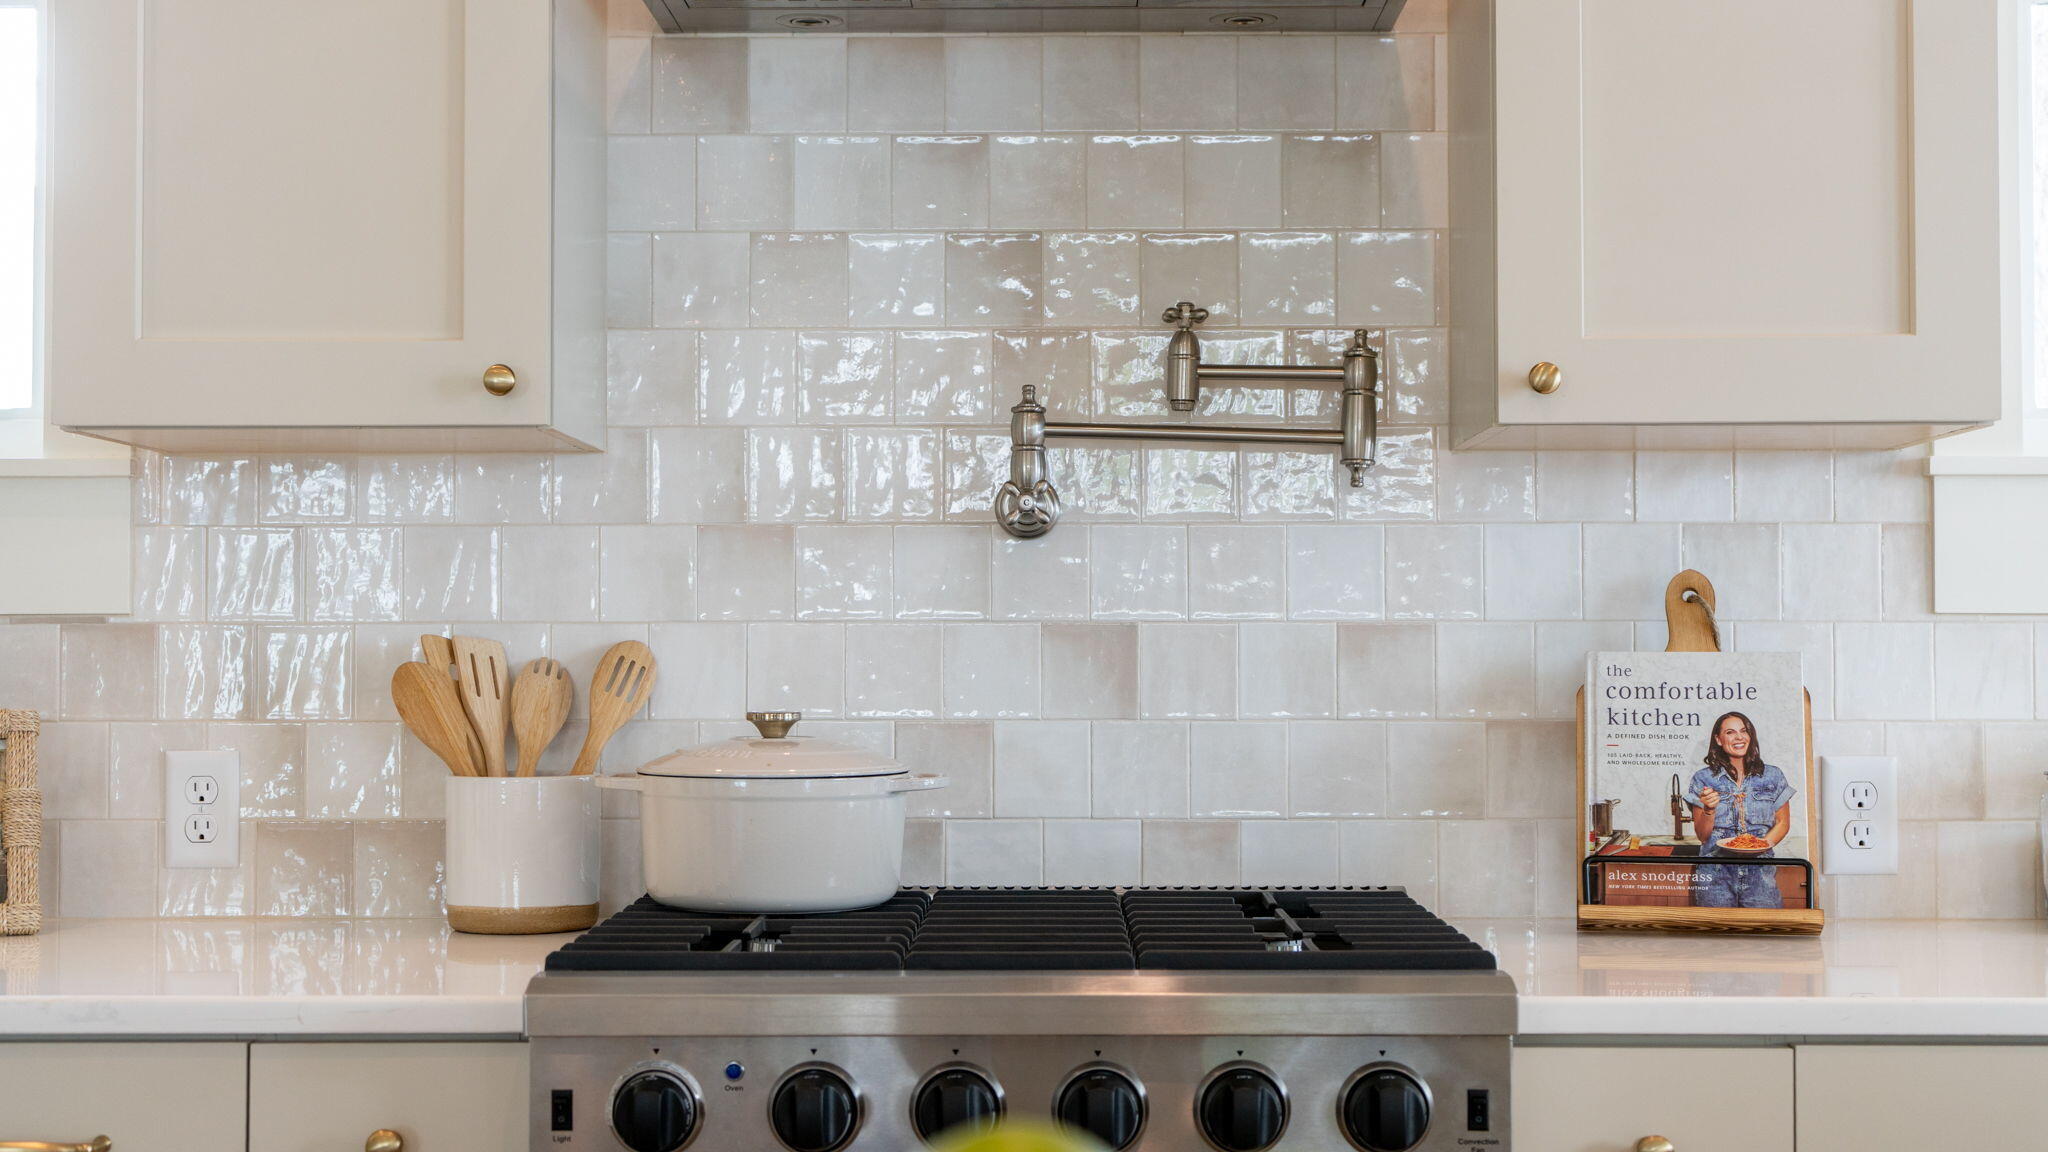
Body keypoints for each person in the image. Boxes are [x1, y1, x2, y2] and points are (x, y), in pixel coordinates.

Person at [1683, 711, 1794, 909]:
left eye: (1744, 731)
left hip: (1760, 869)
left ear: (1750, 736)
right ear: (1718, 739)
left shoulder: (1773, 775)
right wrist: (1709, 809)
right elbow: (1702, 835)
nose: (1739, 737)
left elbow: (1782, 822)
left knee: (1763, 931)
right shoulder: (1703, 779)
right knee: (1715, 933)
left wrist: (1759, 846)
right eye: (1730, 732)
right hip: (1715, 871)